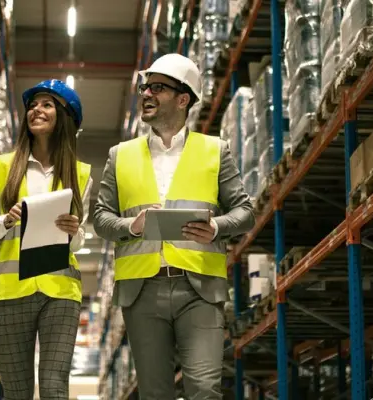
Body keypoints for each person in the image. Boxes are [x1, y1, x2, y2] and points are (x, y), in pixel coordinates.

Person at [93, 53, 255, 400]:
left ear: (183, 99)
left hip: (199, 289)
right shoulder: (119, 155)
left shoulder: (215, 151)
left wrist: (216, 227)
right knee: (155, 393)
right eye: (145, 88)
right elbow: (101, 219)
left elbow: (245, 212)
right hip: (142, 291)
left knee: (205, 388)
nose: (147, 94)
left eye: (158, 88)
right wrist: (132, 226)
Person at [0, 79, 92, 400]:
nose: (35, 110)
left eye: (46, 104)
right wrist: (7, 219)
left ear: (64, 117)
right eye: (32, 104)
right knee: (17, 393)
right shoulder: (2, 167)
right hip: (11, 290)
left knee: (55, 387)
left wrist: (73, 232)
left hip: (60, 291)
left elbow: (79, 242)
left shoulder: (81, 174)